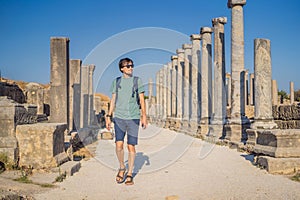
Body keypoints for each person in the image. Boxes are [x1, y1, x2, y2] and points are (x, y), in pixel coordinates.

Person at [105, 57, 147, 186]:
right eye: (128, 66)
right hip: (119, 118)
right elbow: (113, 99)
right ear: (122, 68)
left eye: (132, 65)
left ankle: (129, 173)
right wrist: (108, 115)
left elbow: (141, 99)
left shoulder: (137, 81)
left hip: (133, 118)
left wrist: (144, 115)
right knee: (118, 145)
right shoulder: (116, 82)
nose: (131, 68)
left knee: (131, 146)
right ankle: (122, 167)